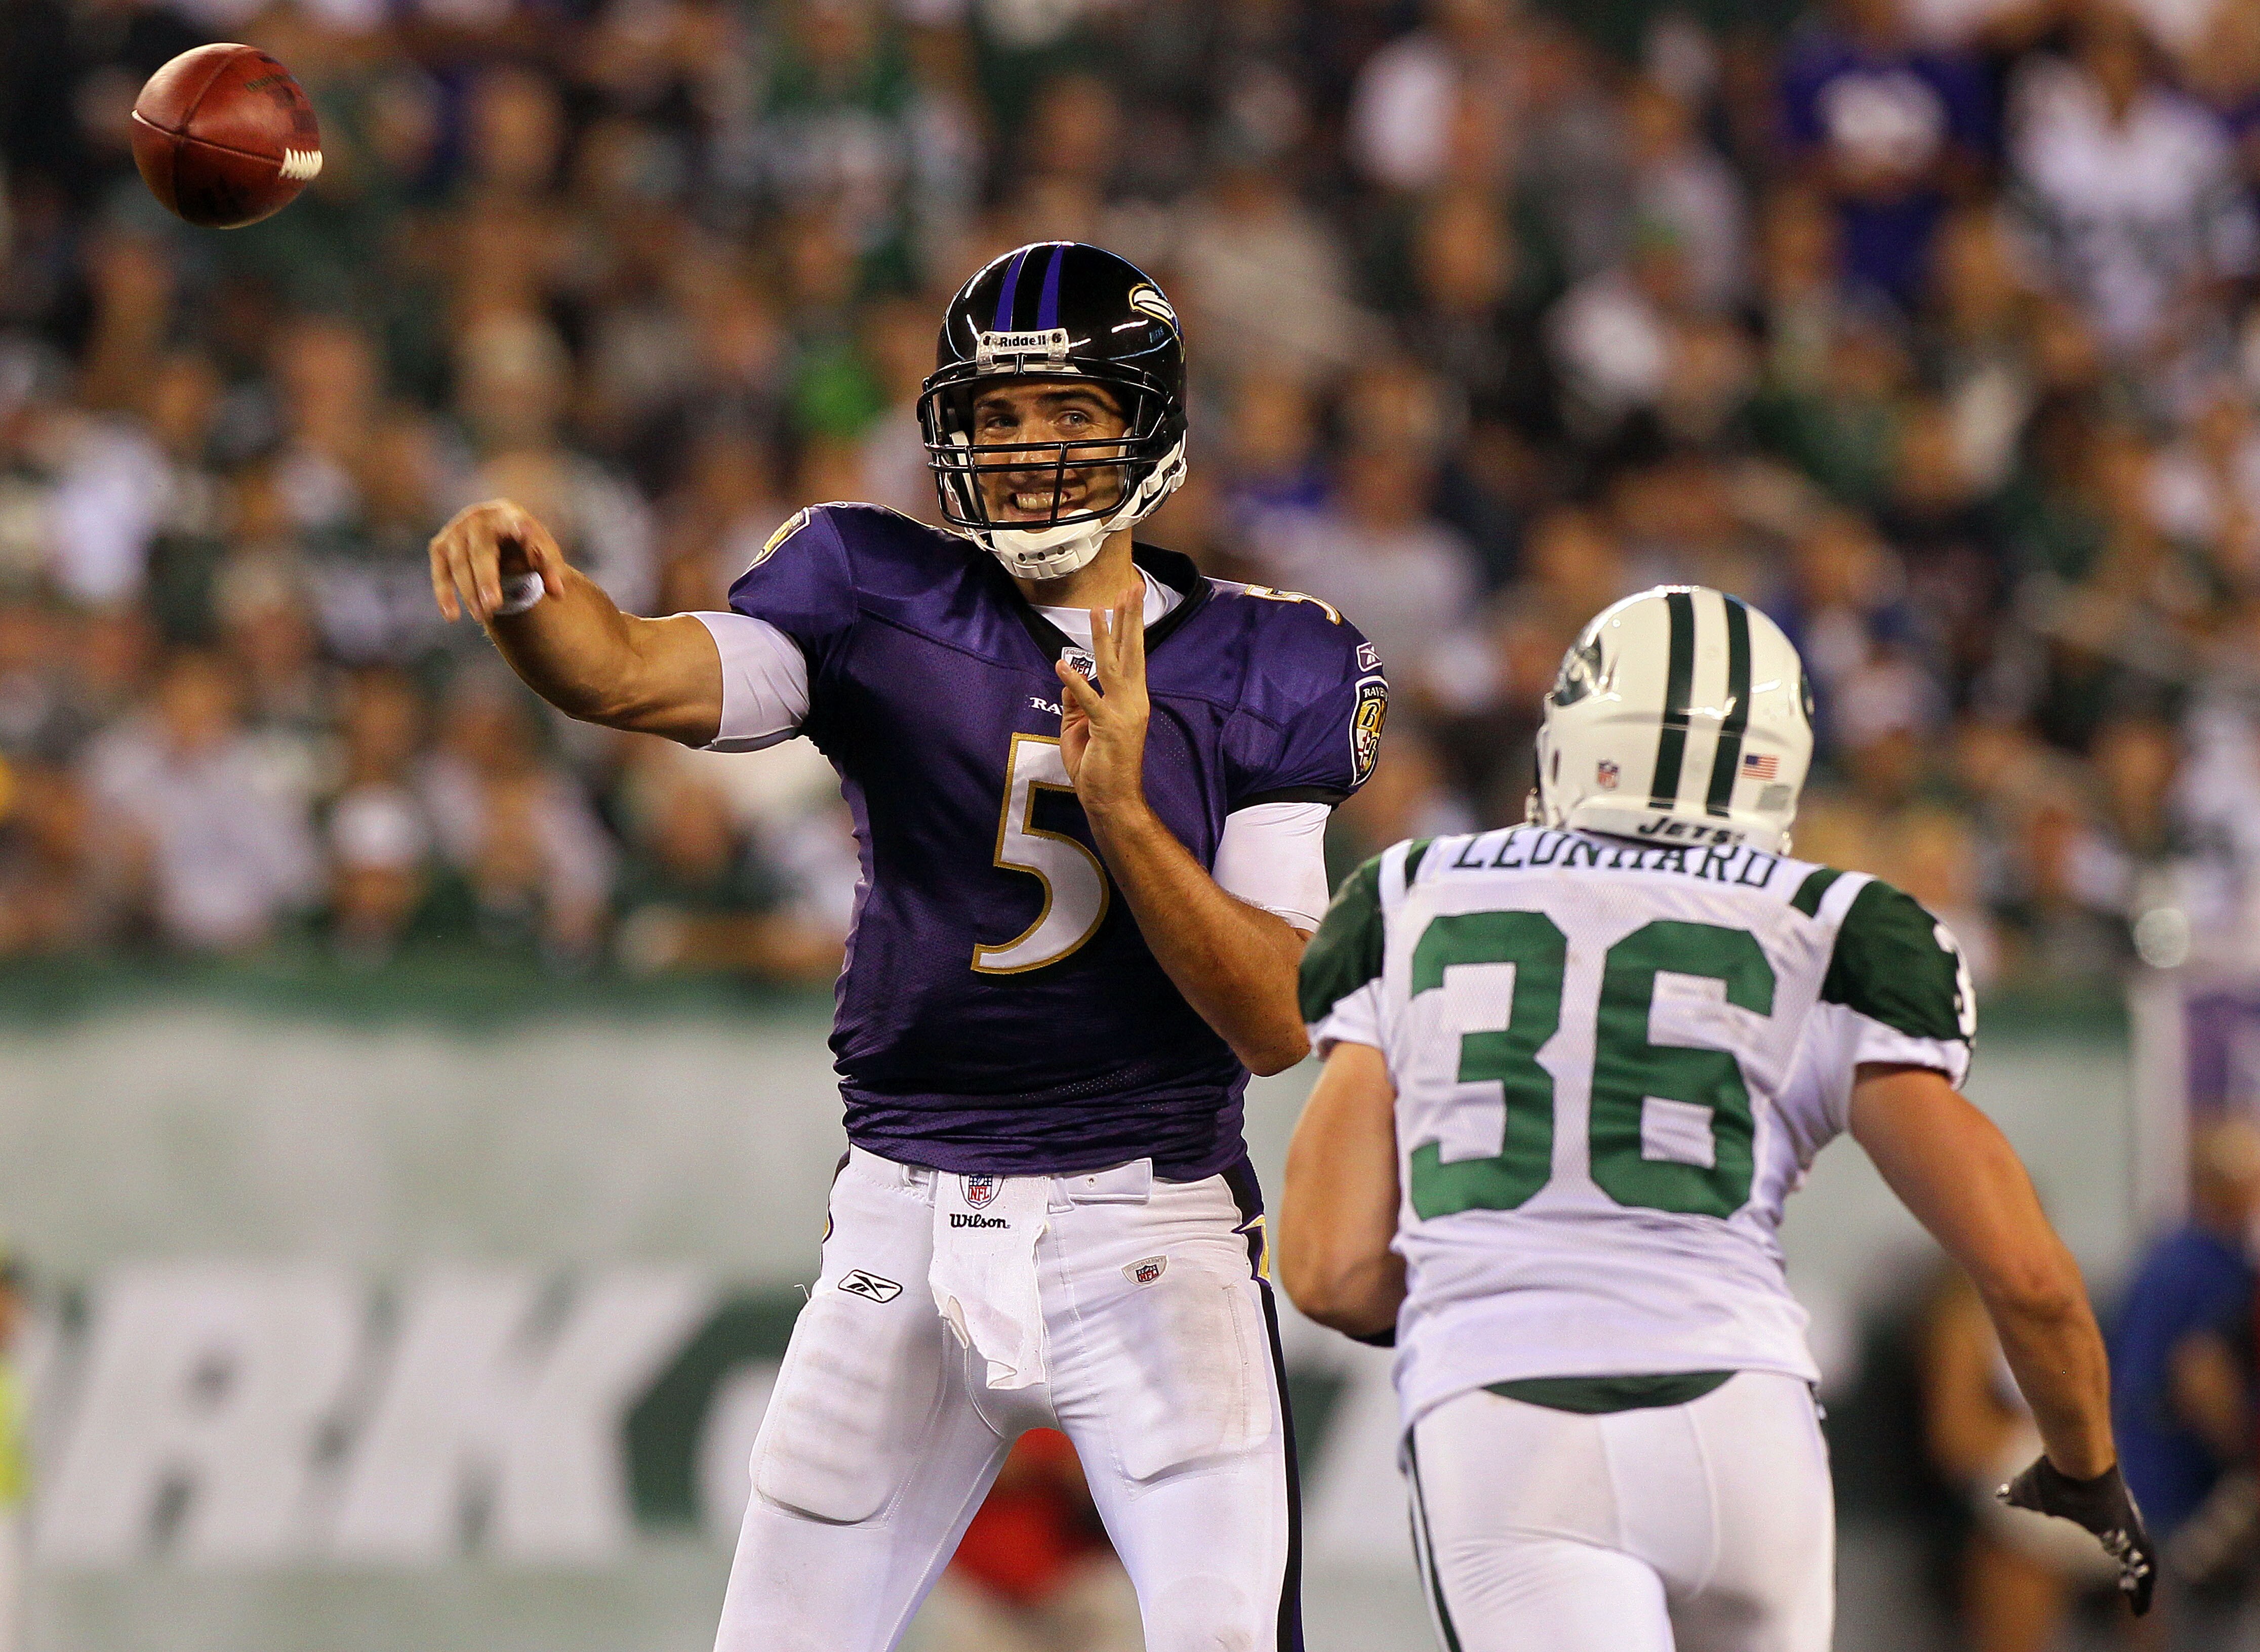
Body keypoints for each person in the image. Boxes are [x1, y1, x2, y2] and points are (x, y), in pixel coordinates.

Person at [427, 242, 1387, 1652]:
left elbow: (1273, 1018)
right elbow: (630, 669)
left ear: (1150, 423)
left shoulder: (1268, 661)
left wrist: (1121, 808)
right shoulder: (870, 591)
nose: (1028, 449)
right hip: (904, 1208)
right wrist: (524, 594)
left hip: (1154, 1222)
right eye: (997, 417)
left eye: (1066, 410)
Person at [1276, 585, 2151, 1652]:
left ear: (1574, 740)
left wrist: (1498, 1275)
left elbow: (1325, 1270)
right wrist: (2085, 1471)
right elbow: (2029, 1277)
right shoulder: (1833, 925)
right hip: (1742, 1426)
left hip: (1507, 1418)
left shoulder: (1410, 894)